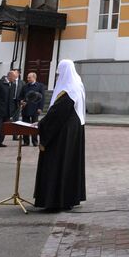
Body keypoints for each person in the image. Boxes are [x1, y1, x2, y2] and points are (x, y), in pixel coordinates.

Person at [34, 59, 87, 213]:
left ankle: (55, 199)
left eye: (59, 73)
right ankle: (68, 198)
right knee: (68, 163)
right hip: (73, 128)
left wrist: (42, 124)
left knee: (58, 162)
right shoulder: (77, 86)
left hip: (63, 132)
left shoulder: (68, 90)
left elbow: (56, 115)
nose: (57, 76)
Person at [0, 70, 17, 148]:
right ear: (10, 76)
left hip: (8, 110)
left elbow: (12, 98)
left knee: (4, 128)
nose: (15, 79)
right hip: (0, 110)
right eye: (14, 77)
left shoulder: (12, 84)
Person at [19, 72, 45, 146]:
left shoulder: (40, 86)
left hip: (35, 109)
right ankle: (26, 141)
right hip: (26, 109)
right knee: (25, 125)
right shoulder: (25, 86)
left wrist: (40, 108)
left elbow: (42, 98)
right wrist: (21, 101)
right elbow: (21, 96)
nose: (28, 79)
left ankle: (35, 141)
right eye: (27, 77)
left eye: (29, 77)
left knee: (34, 126)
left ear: (34, 78)